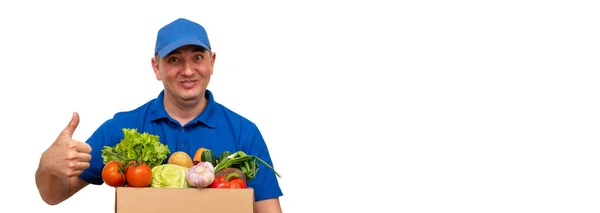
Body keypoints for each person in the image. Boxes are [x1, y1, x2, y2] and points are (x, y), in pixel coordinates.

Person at [34, 17, 283, 213]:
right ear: (157, 67)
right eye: (174, 59)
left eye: (197, 57)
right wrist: (47, 167)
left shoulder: (243, 132)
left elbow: (269, 210)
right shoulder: (122, 128)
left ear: (212, 62)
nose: (187, 70)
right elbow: (54, 195)